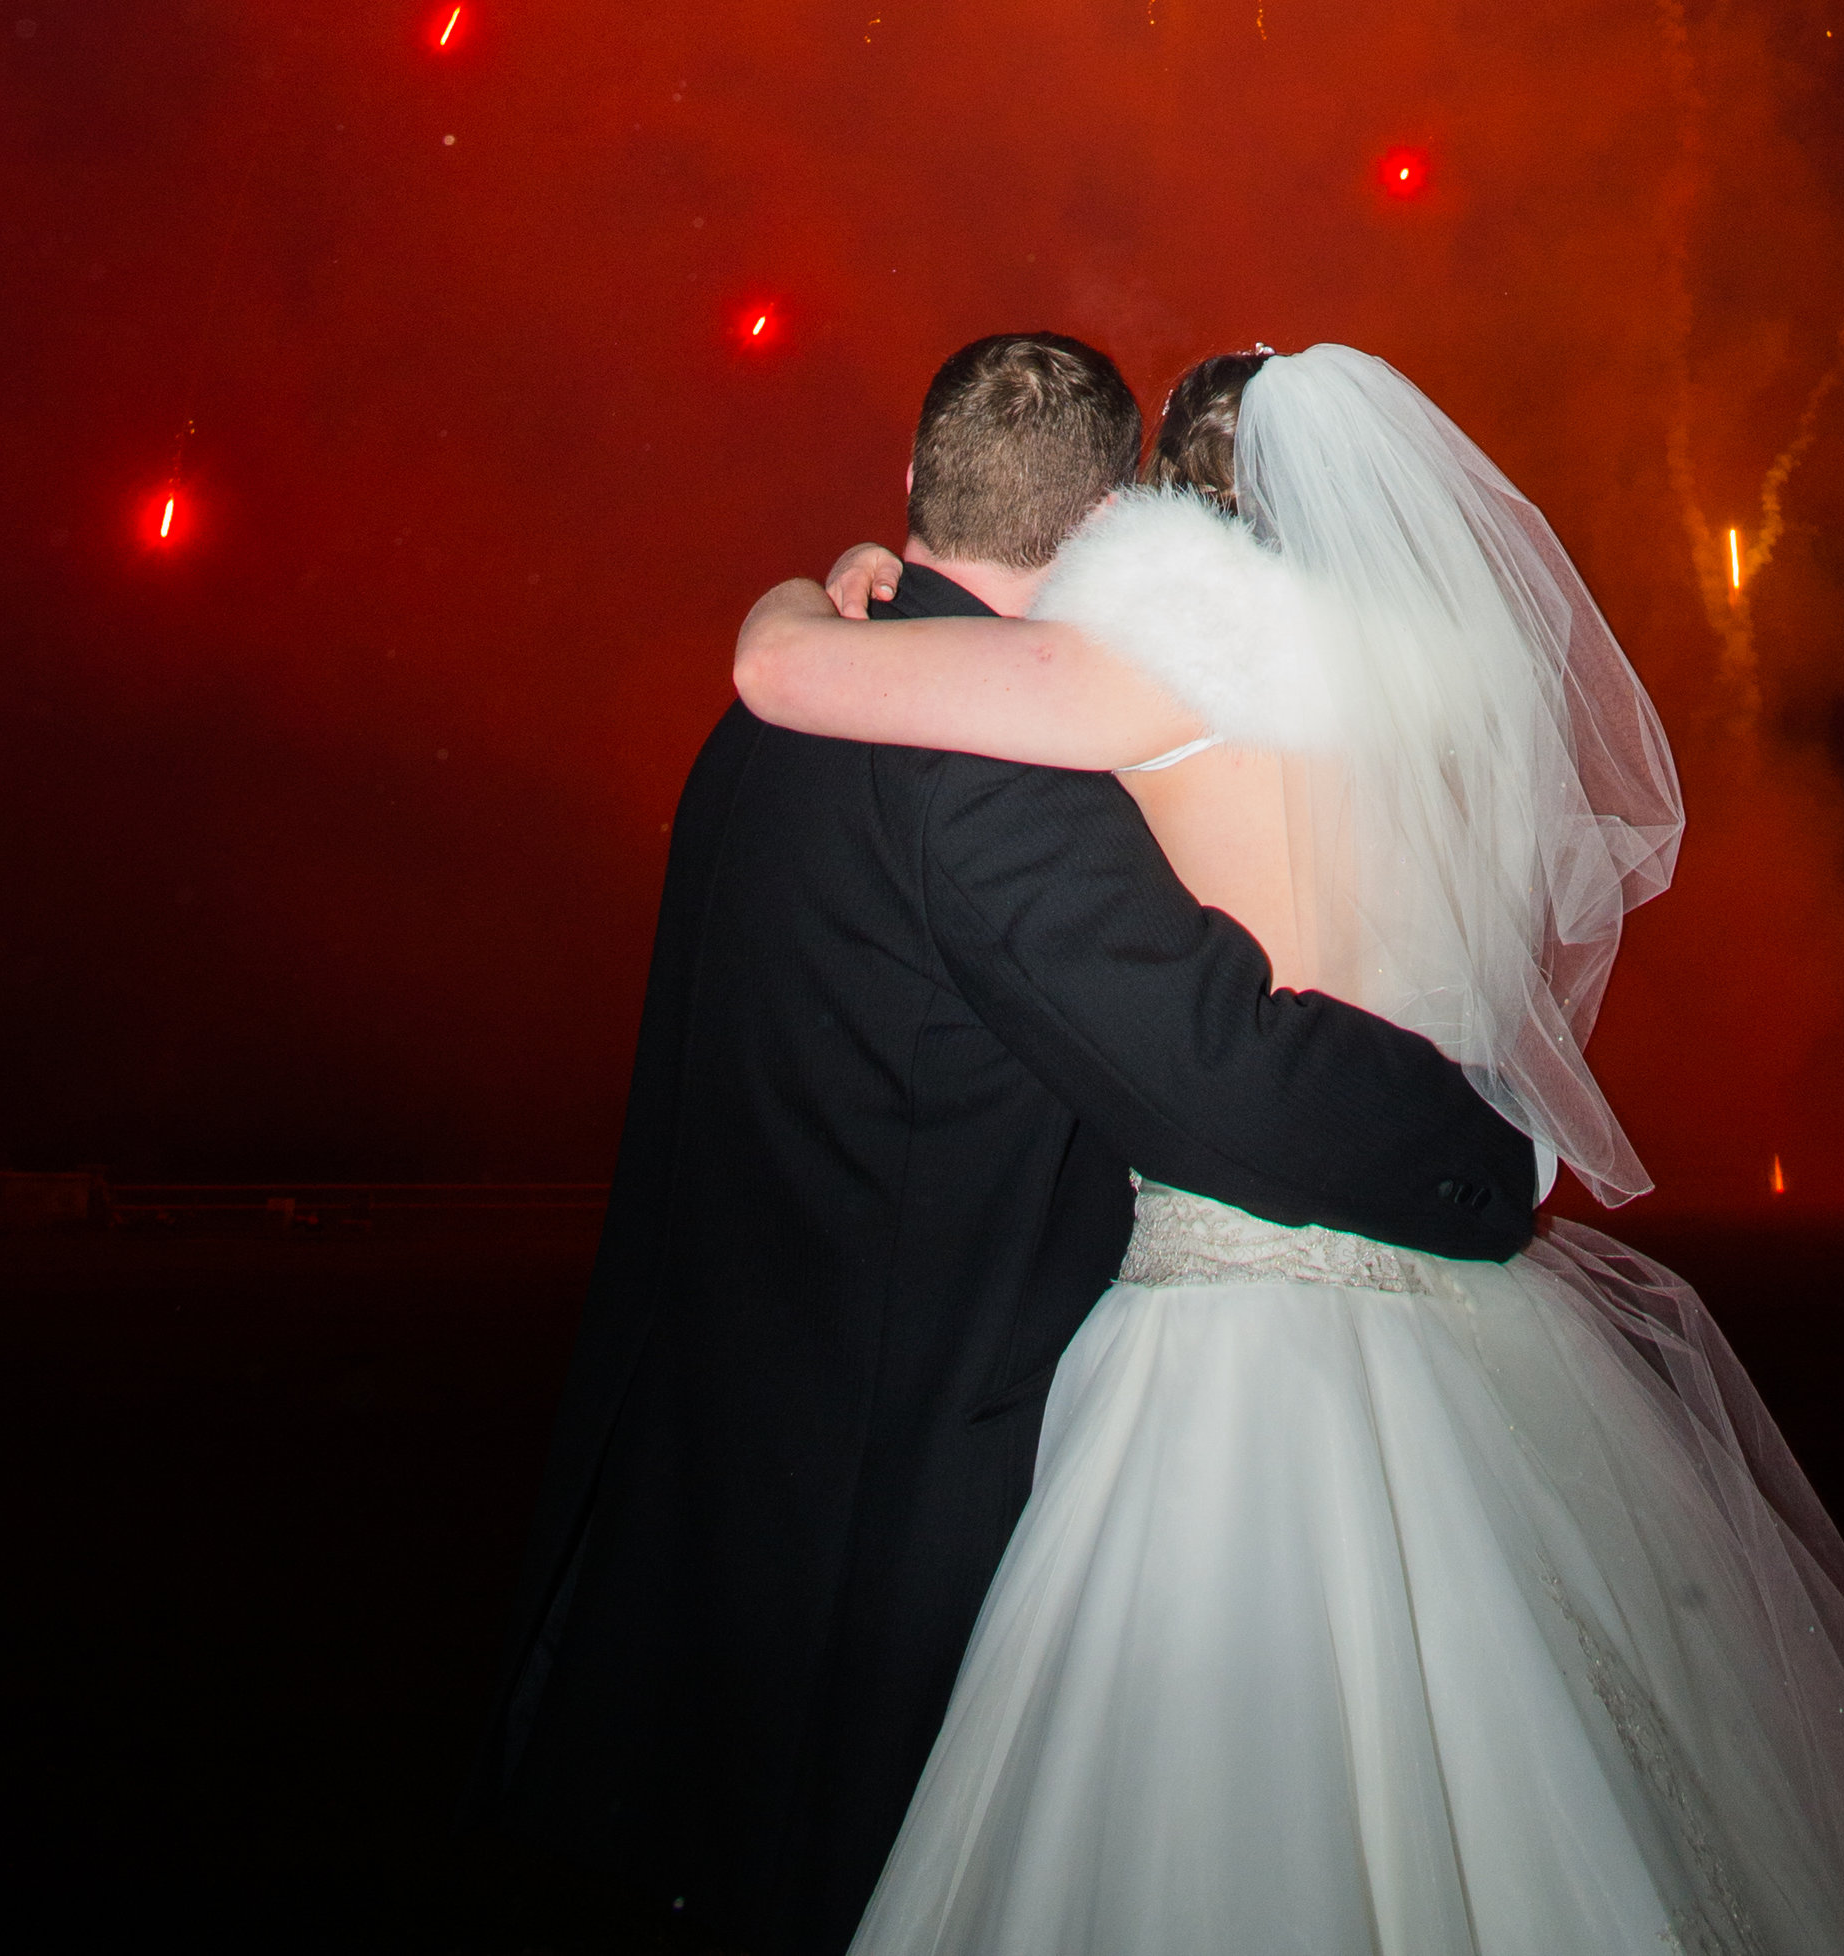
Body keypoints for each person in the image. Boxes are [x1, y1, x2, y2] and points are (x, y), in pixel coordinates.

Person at [733, 342, 1844, 1956]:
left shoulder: (1165, 668)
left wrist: (817, 585)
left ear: (1173, 515)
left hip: (1239, 1298)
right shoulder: (1432, 686)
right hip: (1451, 1287)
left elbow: (791, 680)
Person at [472, 330, 1537, 1956]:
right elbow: (1217, 1066)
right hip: (879, 1500)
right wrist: (1487, 1163)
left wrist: (782, 598)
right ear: (1112, 519)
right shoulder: (984, 767)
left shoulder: (779, 712)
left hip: (717, 1450)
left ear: (913, 484)